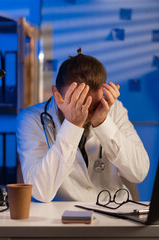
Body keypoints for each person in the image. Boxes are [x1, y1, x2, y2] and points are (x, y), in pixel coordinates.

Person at [16, 49, 149, 203]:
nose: (84, 113)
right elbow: (40, 192)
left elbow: (139, 172)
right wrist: (72, 125)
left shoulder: (114, 109)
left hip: (113, 211)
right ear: (56, 93)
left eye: (91, 106)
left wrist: (103, 123)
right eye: (76, 102)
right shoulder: (30, 120)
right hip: (61, 217)